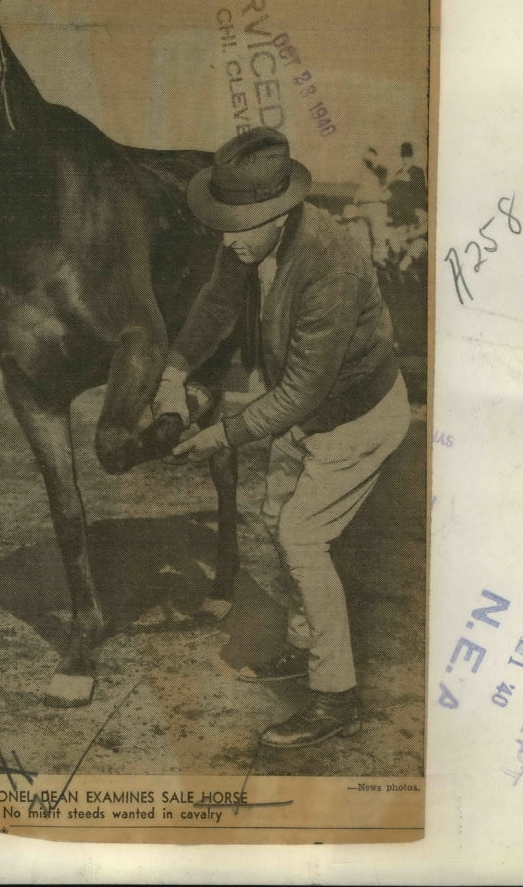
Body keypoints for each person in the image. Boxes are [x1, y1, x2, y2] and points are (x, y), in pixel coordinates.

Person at [152, 127, 411, 748]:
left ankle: (335, 696)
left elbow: (302, 391)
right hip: (307, 414)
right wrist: (174, 370)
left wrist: (221, 436)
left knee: (302, 536)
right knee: (276, 517)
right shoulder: (246, 241)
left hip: (358, 415)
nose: (228, 237)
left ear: (282, 212)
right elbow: (216, 304)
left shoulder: (332, 260)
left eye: (242, 224)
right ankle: (308, 643)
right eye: (223, 222)